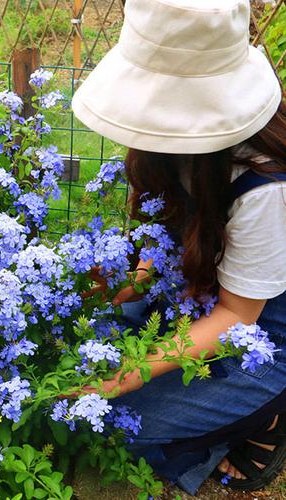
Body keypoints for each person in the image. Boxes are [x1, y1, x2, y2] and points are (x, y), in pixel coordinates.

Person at [71, 0, 285, 495]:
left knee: (118, 422)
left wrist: (134, 373)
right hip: (194, 294)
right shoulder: (168, 144)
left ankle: (265, 421)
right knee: (78, 352)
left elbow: (238, 317)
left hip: (260, 331)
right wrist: (139, 277)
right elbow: (166, 223)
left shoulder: (265, 185)